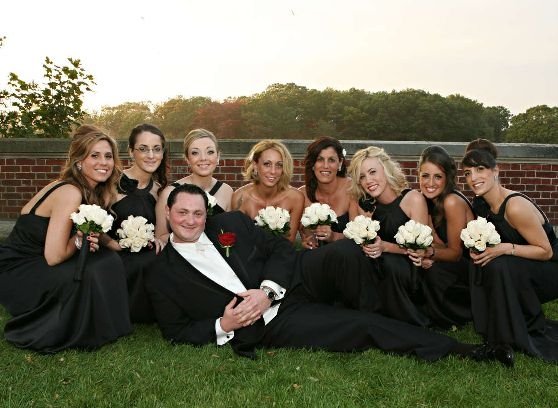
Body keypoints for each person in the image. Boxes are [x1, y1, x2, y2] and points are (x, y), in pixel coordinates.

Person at [144, 183, 501, 364]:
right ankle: (461, 349)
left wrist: (267, 290)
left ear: (206, 214)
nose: (191, 221)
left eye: (198, 213)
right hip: (273, 322)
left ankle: (404, 312)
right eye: (182, 213)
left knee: (347, 251)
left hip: (292, 279)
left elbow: (281, 248)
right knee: (361, 325)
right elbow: (176, 331)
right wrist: (225, 324)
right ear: (169, 214)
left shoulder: (231, 223)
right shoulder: (160, 274)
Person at [0, 125, 132, 353]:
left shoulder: (92, 190)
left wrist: (114, 244)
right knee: (86, 272)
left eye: (108, 156)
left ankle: (105, 323)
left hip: (40, 259)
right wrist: (79, 240)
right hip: (19, 269)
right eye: (94, 155)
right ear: (79, 161)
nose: (104, 162)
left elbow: (92, 229)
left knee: (106, 259)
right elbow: (54, 257)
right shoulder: (70, 192)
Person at [461, 140, 558, 365]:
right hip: (523, 266)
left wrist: (505, 248)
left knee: (499, 263)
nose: (473, 177)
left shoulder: (514, 206)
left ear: (496, 171)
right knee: (484, 261)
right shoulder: (482, 205)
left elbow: (546, 252)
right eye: (467, 173)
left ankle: (518, 328)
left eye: (480, 169)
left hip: (550, 269)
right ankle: (496, 329)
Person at [347, 146, 432, 327]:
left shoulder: (413, 199)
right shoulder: (365, 205)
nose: (368, 180)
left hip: (410, 271)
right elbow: (358, 243)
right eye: (362, 177)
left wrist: (385, 247)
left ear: (386, 169)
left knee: (388, 263)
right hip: (377, 266)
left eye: (372, 172)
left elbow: (420, 248)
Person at [102, 124, 168, 323]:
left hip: (144, 256)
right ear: (131, 151)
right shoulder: (112, 183)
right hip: (112, 256)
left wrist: (159, 240)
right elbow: (93, 224)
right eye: (143, 149)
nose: (151, 155)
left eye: (156, 149)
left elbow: (161, 233)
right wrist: (113, 244)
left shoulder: (160, 191)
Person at [417, 146, 474, 329]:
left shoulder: (452, 201)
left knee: (432, 268)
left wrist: (429, 253)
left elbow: (456, 253)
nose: (430, 183)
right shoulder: (425, 201)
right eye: (425, 176)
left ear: (447, 178)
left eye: (438, 177)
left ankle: (454, 315)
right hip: (451, 262)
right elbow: (439, 244)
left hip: (471, 269)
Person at [155, 128, 233, 244]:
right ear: (187, 159)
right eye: (195, 153)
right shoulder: (169, 193)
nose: (203, 158)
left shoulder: (227, 191)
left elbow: (229, 234)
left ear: (218, 156)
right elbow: (160, 237)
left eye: (210, 152)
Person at [231, 140, 304, 243]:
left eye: (279, 165)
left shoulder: (295, 198)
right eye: (267, 164)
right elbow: (239, 241)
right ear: (255, 165)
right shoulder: (240, 197)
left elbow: (289, 243)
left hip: (282, 252)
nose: (273, 171)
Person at [298, 136, 352, 248]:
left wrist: (333, 237)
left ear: (340, 163)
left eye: (331, 160)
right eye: (320, 159)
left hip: (348, 254)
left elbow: (359, 236)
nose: (326, 166)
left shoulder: (351, 189)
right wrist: (309, 240)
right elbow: (304, 234)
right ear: (312, 164)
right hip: (318, 254)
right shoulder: (302, 195)